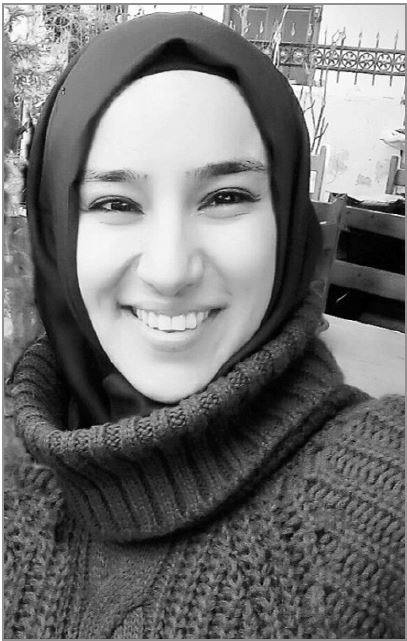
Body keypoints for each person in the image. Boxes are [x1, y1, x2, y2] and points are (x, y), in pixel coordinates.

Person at [4, 12, 404, 640]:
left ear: (288, 221)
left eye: (226, 197)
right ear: (59, 230)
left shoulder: (385, 496)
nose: (170, 271)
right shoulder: (13, 490)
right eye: (115, 203)